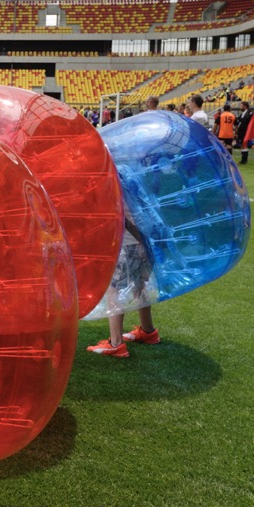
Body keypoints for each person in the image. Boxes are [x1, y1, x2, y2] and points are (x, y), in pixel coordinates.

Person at [88, 95, 162, 358]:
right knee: (141, 284)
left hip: (131, 241)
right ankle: (148, 331)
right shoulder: (128, 173)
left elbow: (116, 215)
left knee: (114, 288)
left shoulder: (111, 178)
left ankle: (116, 343)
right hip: (147, 240)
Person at [234, 101, 254, 165]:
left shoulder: (249, 113)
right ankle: (244, 159)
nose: (240, 107)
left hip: (245, 131)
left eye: (241, 106)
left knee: (244, 145)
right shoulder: (243, 113)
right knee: (242, 145)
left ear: (245, 106)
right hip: (241, 131)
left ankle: (244, 160)